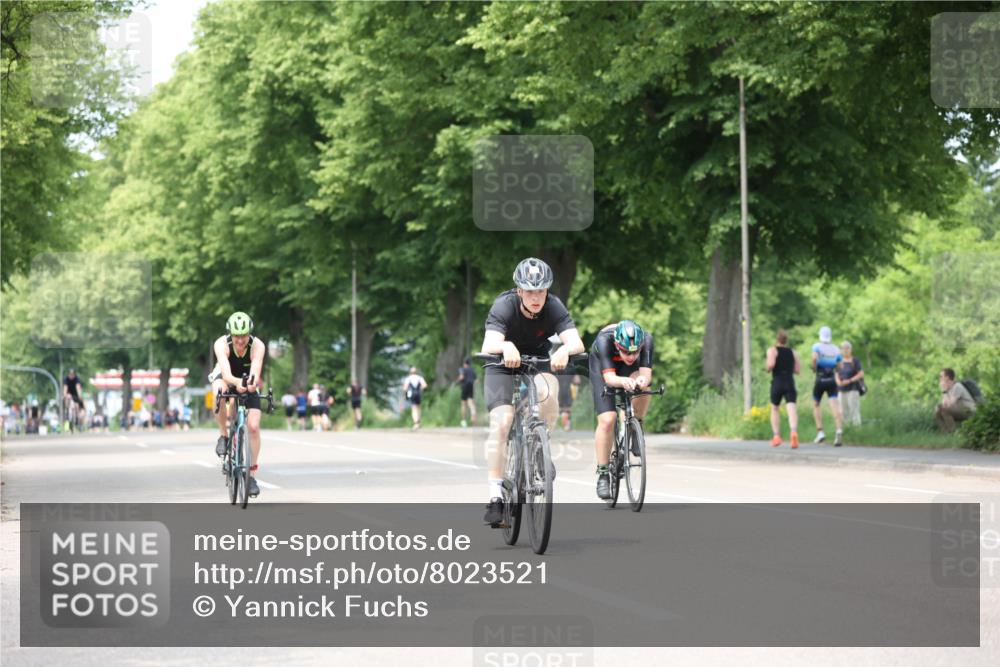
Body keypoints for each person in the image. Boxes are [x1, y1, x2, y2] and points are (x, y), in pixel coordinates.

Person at [481, 257, 585, 525]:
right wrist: (505, 347)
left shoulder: (553, 306)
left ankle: (540, 447)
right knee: (502, 423)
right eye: (529, 291)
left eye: (540, 291)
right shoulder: (504, 305)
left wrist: (563, 349)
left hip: (538, 362)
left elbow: (576, 341)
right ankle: (495, 497)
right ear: (519, 291)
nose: (535, 297)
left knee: (549, 390)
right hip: (501, 365)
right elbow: (490, 342)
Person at [589, 320, 654, 499]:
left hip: (629, 371)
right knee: (608, 419)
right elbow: (609, 378)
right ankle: (603, 474)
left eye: (635, 351)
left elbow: (646, 374)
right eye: (626, 351)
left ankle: (635, 427)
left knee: (644, 388)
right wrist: (621, 381)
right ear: (617, 345)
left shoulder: (647, 340)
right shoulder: (604, 341)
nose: (631, 355)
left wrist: (641, 381)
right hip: (603, 368)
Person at [209, 311, 266, 498]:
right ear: (230, 334)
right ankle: (224, 436)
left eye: (244, 336)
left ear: (249, 333)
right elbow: (225, 374)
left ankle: (251, 476)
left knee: (254, 427)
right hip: (227, 376)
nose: (240, 340)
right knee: (219, 391)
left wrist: (249, 384)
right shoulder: (221, 344)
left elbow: (255, 372)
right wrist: (236, 383)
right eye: (236, 336)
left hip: (247, 378)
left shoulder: (257, 346)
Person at [766, 329, 801, 448]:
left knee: (775, 408)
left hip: (777, 381)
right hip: (789, 381)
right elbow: (797, 370)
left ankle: (776, 436)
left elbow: (771, 364)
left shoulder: (772, 350)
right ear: (786, 341)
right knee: (791, 408)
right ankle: (794, 432)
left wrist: (768, 369)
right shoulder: (793, 352)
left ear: (777, 339)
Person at [811, 326, 844, 446]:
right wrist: (835, 369)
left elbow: (814, 358)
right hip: (831, 380)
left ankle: (820, 432)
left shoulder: (816, 346)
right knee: (834, 405)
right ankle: (839, 430)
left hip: (820, 379)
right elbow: (840, 366)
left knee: (816, 404)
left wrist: (814, 368)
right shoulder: (836, 349)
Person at [935, 368, 977, 433]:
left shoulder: (957, 386)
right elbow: (944, 404)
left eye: (941, 376)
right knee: (937, 410)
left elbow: (950, 404)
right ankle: (945, 432)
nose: (940, 378)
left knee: (945, 410)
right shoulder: (948, 388)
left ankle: (952, 432)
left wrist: (944, 391)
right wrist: (944, 391)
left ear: (947, 377)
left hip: (969, 411)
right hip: (960, 409)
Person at [836, 341, 864, 427]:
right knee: (843, 411)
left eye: (847, 348)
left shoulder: (855, 360)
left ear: (851, 350)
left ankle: (857, 430)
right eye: (843, 348)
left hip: (853, 389)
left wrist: (850, 380)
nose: (845, 350)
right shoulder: (838, 361)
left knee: (854, 410)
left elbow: (861, 373)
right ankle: (846, 430)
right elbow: (836, 373)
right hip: (841, 390)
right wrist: (838, 382)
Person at [456, 358, 477, 427]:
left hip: (464, 386)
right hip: (471, 386)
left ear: (465, 364)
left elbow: (461, 377)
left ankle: (464, 421)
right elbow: (476, 381)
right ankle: (473, 416)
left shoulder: (462, 369)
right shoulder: (472, 370)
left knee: (463, 404)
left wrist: (458, 381)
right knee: (471, 402)